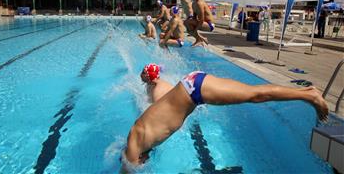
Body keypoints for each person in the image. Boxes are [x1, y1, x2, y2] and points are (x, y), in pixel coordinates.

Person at [122, 66, 329, 167]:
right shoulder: (139, 136)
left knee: (256, 95)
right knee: (254, 94)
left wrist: (130, 165)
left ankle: (310, 95)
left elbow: (128, 169)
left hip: (195, 90)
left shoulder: (134, 145)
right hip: (193, 86)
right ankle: (307, 94)